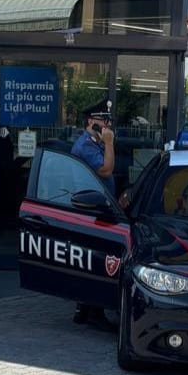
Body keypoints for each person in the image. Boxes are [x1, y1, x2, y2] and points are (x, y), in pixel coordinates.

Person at [69, 100, 116, 331]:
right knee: (96, 260)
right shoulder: (87, 145)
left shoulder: (94, 142)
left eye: (108, 120)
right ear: (91, 121)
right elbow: (106, 169)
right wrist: (109, 143)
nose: (107, 124)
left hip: (98, 207)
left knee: (91, 259)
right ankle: (93, 311)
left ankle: (84, 309)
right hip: (91, 210)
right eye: (102, 120)